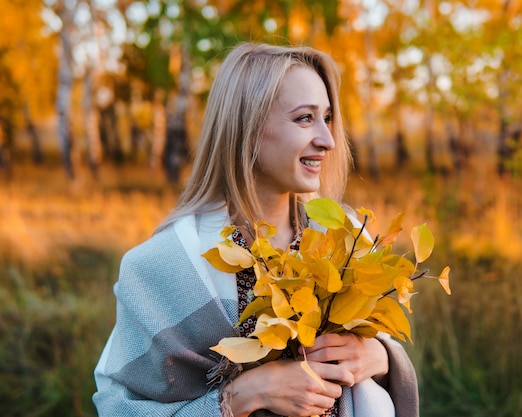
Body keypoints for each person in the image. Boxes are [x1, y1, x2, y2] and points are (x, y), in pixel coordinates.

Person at [93, 42, 419, 417]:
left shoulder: (348, 241)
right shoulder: (163, 267)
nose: (327, 140)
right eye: (304, 118)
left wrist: (378, 356)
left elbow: (383, 356)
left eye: (327, 118)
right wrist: (239, 398)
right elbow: (119, 406)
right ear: (247, 128)